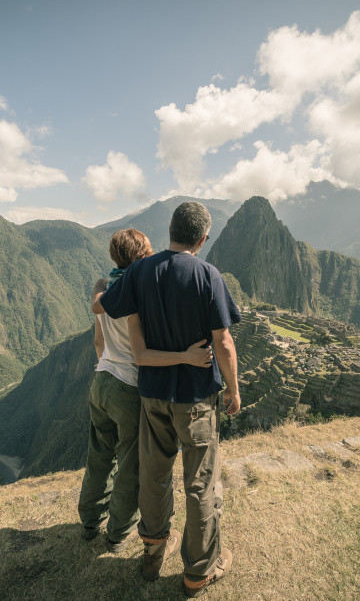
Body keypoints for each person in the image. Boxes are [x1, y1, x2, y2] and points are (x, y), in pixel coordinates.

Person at [93, 202, 241, 595]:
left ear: (171, 230)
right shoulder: (207, 274)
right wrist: (233, 388)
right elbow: (223, 341)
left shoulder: (140, 270)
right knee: (200, 482)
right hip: (194, 398)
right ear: (203, 238)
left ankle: (153, 548)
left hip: (152, 396)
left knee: (155, 475)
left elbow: (103, 306)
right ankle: (198, 570)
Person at [78, 228, 212, 553]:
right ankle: (118, 531)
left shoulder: (107, 291)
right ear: (144, 254)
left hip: (102, 379)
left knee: (98, 455)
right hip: (127, 386)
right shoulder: (141, 292)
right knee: (129, 464)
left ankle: (89, 521)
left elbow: (99, 340)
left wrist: (106, 369)